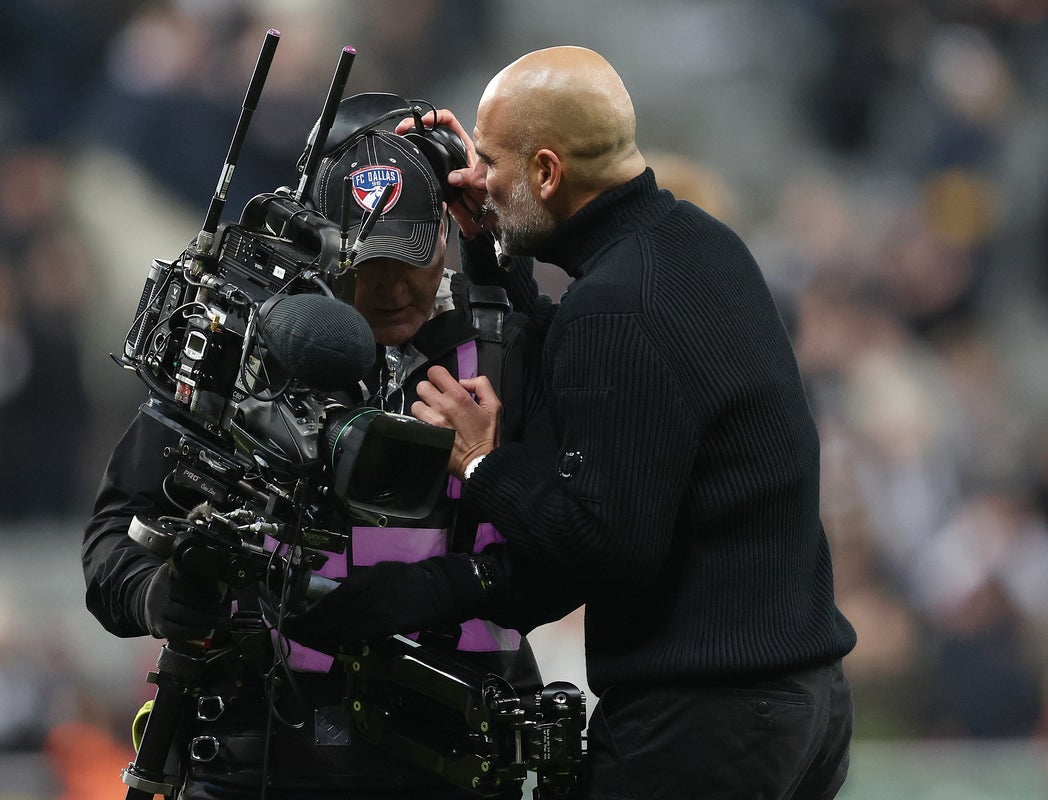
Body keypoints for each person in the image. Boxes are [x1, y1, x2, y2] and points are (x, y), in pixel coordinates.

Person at [302, 47, 860, 799]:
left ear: (545, 174)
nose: (479, 183)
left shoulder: (616, 306)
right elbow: (605, 374)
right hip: (804, 703)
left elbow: (608, 543)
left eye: (493, 162)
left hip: (706, 720)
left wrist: (480, 460)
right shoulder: (697, 244)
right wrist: (487, 253)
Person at [82, 101, 546, 799]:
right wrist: (153, 595)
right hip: (257, 752)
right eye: (367, 262)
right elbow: (113, 536)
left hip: (455, 760)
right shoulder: (233, 350)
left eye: (408, 255)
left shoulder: (512, 346)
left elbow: (583, 544)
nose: (389, 287)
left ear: (445, 228)